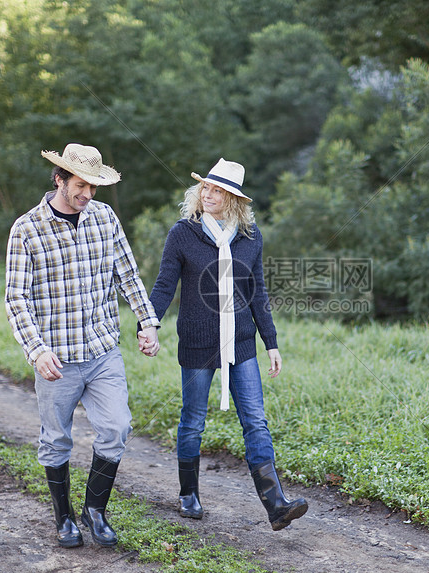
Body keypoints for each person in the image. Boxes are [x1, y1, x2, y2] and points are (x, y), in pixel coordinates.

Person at [5, 143, 161, 548]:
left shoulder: (104, 218)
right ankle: (64, 518)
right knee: (56, 439)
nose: (87, 195)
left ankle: (96, 510)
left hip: (102, 349)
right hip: (55, 356)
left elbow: (128, 274)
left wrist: (147, 321)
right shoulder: (27, 229)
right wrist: (35, 350)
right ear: (59, 179)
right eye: (80, 185)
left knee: (117, 427)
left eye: (93, 187)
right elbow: (16, 298)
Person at [143, 158, 308, 531]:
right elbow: (165, 285)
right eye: (206, 187)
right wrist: (149, 323)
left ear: (234, 199)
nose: (209, 194)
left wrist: (272, 343)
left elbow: (257, 292)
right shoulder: (183, 233)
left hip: (242, 342)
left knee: (255, 422)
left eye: (218, 190)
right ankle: (189, 494)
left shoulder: (250, 239)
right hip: (198, 344)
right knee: (193, 422)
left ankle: (276, 504)